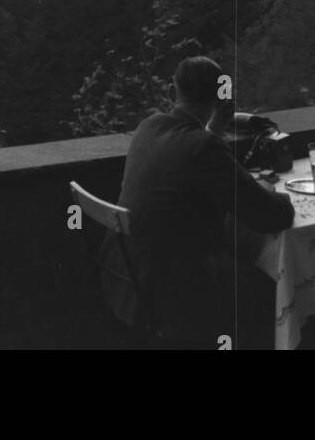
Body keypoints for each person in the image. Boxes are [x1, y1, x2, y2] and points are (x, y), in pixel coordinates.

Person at [101, 55, 294, 348]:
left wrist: (215, 128)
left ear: (171, 93)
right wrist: (270, 190)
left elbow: (187, 156)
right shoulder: (203, 148)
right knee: (274, 288)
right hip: (175, 288)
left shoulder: (148, 126)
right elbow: (271, 216)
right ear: (220, 99)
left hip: (127, 275)